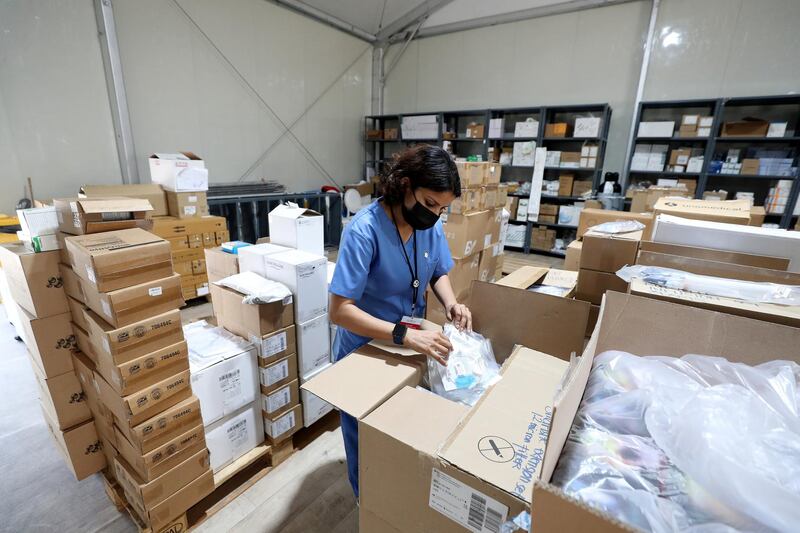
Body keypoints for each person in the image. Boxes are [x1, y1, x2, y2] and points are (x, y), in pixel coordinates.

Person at [329, 144, 473, 499]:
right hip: (364, 352)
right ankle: (369, 504)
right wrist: (401, 335)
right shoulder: (364, 231)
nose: (435, 215)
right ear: (404, 185)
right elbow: (340, 309)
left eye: (442, 208)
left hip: (406, 346)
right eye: (429, 204)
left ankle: (395, 503)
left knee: (397, 432)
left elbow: (438, 270)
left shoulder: (429, 227)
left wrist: (452, 303)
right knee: (364, 442)